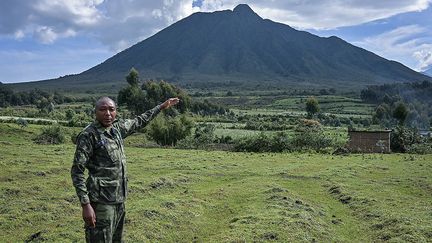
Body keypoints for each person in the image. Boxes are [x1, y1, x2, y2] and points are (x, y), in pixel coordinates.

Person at [71, 96, 179, 242]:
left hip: (119, 200)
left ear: (116, 112)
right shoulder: (89, 135)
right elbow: (77, 171)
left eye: (111, 109)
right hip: (101, 203)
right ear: (95, 112)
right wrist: (85, 204)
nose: (108, 113)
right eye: (103, 110)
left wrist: (161, 107)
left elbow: (139, 121)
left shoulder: (117, 129)